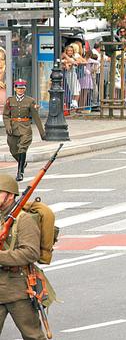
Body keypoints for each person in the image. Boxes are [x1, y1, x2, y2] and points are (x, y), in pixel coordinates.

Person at [0, 174, 47, 339]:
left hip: (18, 290)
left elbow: (30, 252)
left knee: (33, 336)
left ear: (10, 195)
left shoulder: (23, 220)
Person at [3, 80, 44, 181]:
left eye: (22, 88)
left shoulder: (30, 101)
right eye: (18, 88)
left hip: (25, 128)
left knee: (22, 148)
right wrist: (7, 126)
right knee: (13, 149)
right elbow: (6, 115)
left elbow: (36, 117)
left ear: (25, 89)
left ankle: (20, 172)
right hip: (13, 127)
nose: (20, 90)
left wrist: (42, 133)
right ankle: (23, 162)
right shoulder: (10, 100)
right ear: (15, 89)